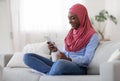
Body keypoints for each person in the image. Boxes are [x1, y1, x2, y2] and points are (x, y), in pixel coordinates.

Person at [23, 3, 99, 75]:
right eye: (69, 18)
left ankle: (49, 72)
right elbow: (65, 53)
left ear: (82, 17)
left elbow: (87, 59)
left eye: (73, 18)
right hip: (62, 63)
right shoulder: (71, 33)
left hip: (78, 67)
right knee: (27, 57)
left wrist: (68, 59)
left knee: (60, 64)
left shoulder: (92, 35)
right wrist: (55, 50)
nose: (69, 22)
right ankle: (52, 72)